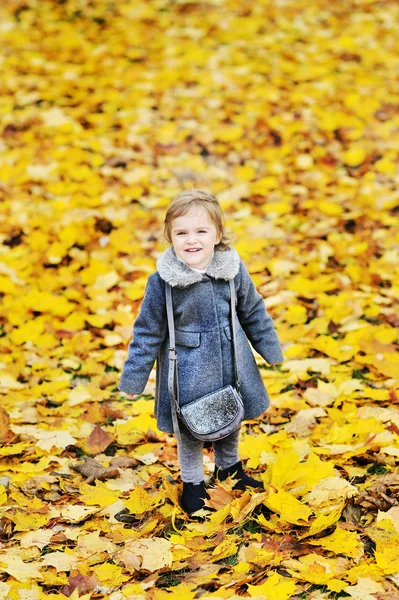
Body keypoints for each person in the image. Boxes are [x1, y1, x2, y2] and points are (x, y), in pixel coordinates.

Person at [118, 189, 284, 516]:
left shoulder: (233, 270)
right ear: (170, 237)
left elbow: (252, 310)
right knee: (191, 424)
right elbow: (148, 330)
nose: (191, 240)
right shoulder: (162, 282)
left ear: (217, 235)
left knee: (231, 413)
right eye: (181, 233)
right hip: (188, 366)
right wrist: (133, 378)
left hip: (231, 358)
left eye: (201, 231)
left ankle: (229, 470)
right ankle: (193, 484)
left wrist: (270, 349)